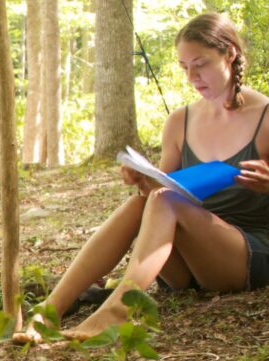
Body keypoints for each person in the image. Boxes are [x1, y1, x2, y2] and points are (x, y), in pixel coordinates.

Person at [16, 12, 269, 344]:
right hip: (184, 265)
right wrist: (143, 179)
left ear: (229, 54)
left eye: (201, 64)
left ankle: (116, 312)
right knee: (145, 202)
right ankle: (50, 311)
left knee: (164, 202)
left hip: (245, 257)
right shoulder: (181, 121)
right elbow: (166, 189)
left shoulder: (264, 117)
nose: (192, 76)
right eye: (184, 67)